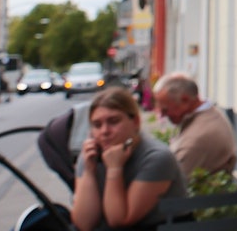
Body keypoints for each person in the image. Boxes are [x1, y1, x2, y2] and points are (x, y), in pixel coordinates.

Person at [71, 86, 187, 231]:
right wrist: (88, 171)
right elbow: (84, 224)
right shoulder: (90, 155)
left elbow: (119, 221)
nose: (104, 131)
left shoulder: (156, 157)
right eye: (97, 125)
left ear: (136, 122)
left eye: (113, 121)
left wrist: (114, 168)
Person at [153, 71, 237, 180]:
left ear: (185, 100)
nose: (162, 114)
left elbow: (170, 184)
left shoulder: (197, 138)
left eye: (165, 109)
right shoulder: (208, 114)